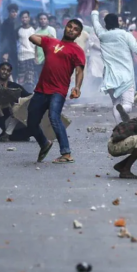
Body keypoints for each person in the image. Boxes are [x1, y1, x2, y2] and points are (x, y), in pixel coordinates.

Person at [27, 19, 86, 164]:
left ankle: (66, 153)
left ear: (78, 34)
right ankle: (44, 143)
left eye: (75, 29)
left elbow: (79, 71)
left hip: (58, 91)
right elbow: (32, 37)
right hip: (41, 89)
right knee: (31, 123)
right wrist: (46, 36)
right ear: (65, 28)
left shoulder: (77, 50)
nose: (72, 30)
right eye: (70, 27)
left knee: (54, 117)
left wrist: (77, 87)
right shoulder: (50, 42)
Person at [0, 62, 32, 142]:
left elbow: (28, 96)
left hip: (18, 120)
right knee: (17, 110)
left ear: (10, 73)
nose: (5, 72)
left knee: (23, 109)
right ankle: (8, 134)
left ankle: (15, 135)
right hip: (4, 120)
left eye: (8, 70)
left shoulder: (15, 86)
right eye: (3, 69)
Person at [16, 10, 36, 91]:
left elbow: (36, 44)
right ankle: (21, 95)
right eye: (23, 17)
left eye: (26, 17)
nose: (24, 19)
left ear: (29, 18)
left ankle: (30, 94)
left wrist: (36, 56)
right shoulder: (18, 30)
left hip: (31, 55)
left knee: (30, 77)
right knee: (21, 77)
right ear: (21, 19)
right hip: (21, 56)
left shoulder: (33, 30)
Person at [34, 12, 57, 82]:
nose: (43, 20)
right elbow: (35, 46)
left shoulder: (51, 30)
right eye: (41, 19)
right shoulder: (36, 31)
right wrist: (35, 57)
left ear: (47, 20)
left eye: (44, 19)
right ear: (38, 20)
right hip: (39, 59)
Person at [0, 4, 19, 78]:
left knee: (16, 73)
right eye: (13, 12)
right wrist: (5, 52)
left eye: (16, 12)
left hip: (16, 51)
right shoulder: (5, 24)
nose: (14, 14)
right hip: (8, 52)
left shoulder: (18, 23)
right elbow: (4, 39)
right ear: (9, 13)